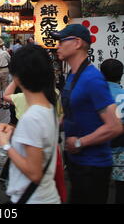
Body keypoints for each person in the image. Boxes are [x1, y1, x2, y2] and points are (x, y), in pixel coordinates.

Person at [51, 24, 122, 204]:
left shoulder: (93, 78)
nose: (57, 45)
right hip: (77, 163)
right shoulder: (73, 75)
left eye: (61, 41)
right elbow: (72, 113)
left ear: (77, 43)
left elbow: (114, 127)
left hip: (93, 167)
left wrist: (80, 142)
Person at [0, 44, 60, 204]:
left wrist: (6, 145)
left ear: (16, 77)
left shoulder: (32, 117)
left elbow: (34, 173)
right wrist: (15, 134)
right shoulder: (48, 107)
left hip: (34, 199)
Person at [100, 58, 124, 204]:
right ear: (121, 75)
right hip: (121, 151)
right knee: (121, 191)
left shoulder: (96, 95)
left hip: (98, 150)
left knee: (99, 190)